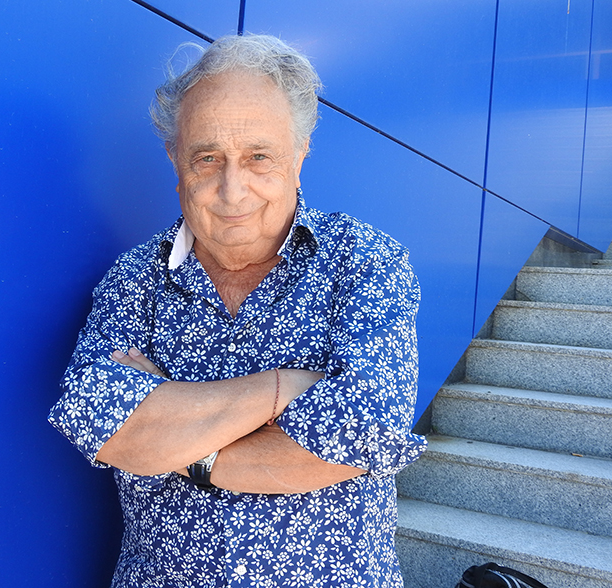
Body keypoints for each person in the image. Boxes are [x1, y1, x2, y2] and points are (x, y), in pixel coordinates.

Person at [48, 34, 426, 588]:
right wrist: (281, 389)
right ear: (176, 162)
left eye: (258, 157)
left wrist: (178, 444)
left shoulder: (363, 261)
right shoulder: (133, 278)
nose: (232, 189)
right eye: (207, 158)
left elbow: (361, 434)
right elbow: (97, 422)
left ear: (299, 156)